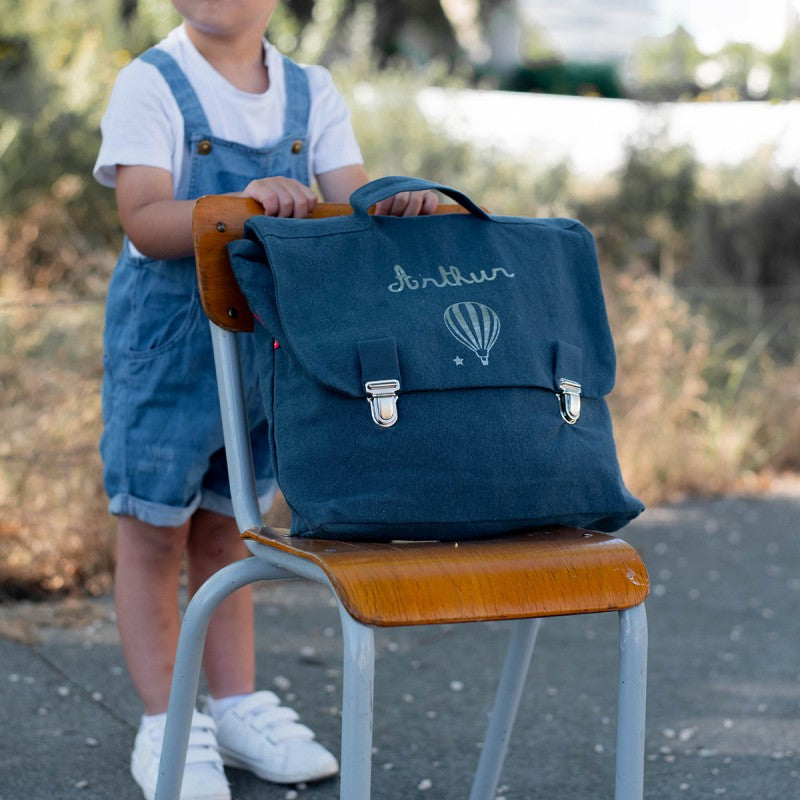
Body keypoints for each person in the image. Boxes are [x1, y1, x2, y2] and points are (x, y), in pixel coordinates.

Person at [93, 2, 437, 799]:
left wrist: (392, 205)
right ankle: (167, 724)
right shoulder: (151, 83)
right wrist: (243, 203)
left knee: (230, 531)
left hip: (261, 354)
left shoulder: (311, 90)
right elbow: (145, 221)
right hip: (168, 354)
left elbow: (349, 202)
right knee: (152, 535)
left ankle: (238, 706)